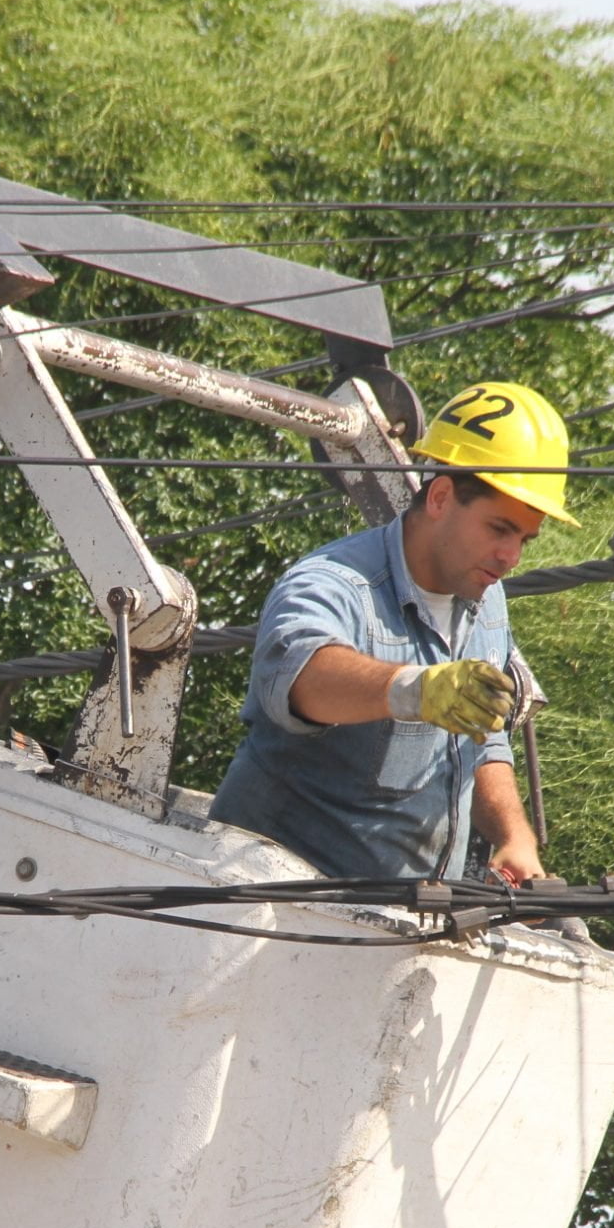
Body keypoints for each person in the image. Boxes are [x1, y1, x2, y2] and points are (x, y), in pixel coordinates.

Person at [208, 379, 576, 888]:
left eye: (524, 539)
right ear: (442, 497)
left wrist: (515, 836)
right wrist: (415, 690)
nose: (510, 557)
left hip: (404, 921)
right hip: (267, 907)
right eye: (498, 529)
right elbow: (299, 677)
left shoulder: (487, 602)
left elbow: (483, 738)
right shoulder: (334, 583)